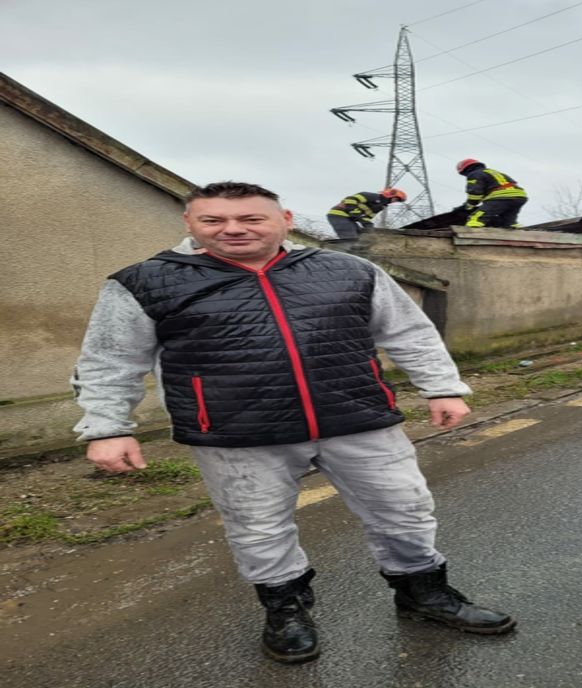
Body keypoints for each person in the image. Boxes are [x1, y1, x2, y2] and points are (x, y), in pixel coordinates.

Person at [72, 181, 515, 665]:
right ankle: (286, 608)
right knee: (258, 527)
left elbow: (409, 332)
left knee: (404, 509)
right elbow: (109, 360)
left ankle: (424, 594)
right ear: (189, 223)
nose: (233, 229)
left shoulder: (347, 269)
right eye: (214, 220)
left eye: (251, 218)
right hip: (236, 433)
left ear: (285, 219)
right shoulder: (143, 282)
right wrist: (108, 427)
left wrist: (442, 387)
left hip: (357, 417)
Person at [454, 159, 528, 229]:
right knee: (508, 221)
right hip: (520, 196)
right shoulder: (492, 172)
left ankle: (471, 234)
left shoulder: (474, 174)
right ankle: (516, 231)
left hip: (501, 197)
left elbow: (475, 193)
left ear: (465, 170)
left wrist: (467, 206)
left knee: (476, 219)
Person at [326, 187, 406, 240]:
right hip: (338, 215)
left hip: (350, 219)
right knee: (350, 236)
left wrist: (367, 223)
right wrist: (354, 211)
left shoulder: (381, 206)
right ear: (391, 195)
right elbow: (350, 199)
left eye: (397, 200)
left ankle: (356, 253)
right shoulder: (371, 196)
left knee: (359, 237)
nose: (394, 201)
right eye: (396, 199)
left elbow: (368, 216)